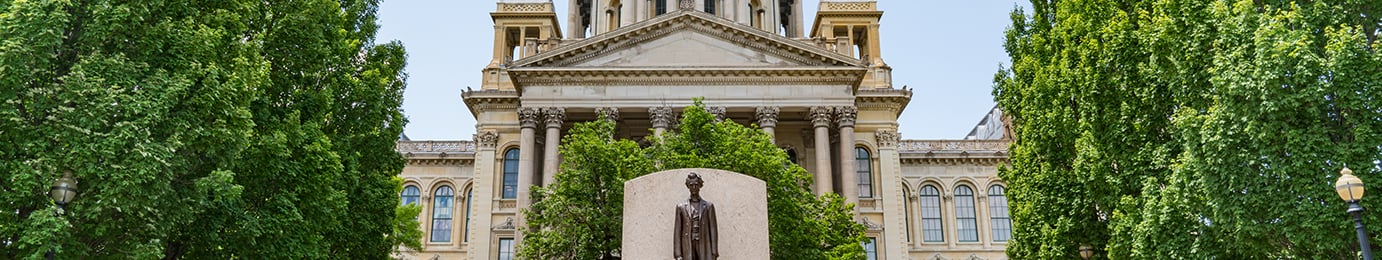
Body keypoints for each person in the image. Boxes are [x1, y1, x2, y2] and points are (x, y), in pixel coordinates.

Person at [674, 172, 718, 260]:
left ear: (700, 185)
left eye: (696, 185)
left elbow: (713, 230)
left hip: (704, 244)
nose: (694, 187)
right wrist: (678, 254)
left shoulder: (709, 206)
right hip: (687, 244)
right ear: (688, 186)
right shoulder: (681, 207)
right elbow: (677, 231)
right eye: (691, 185)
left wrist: (714, 252)